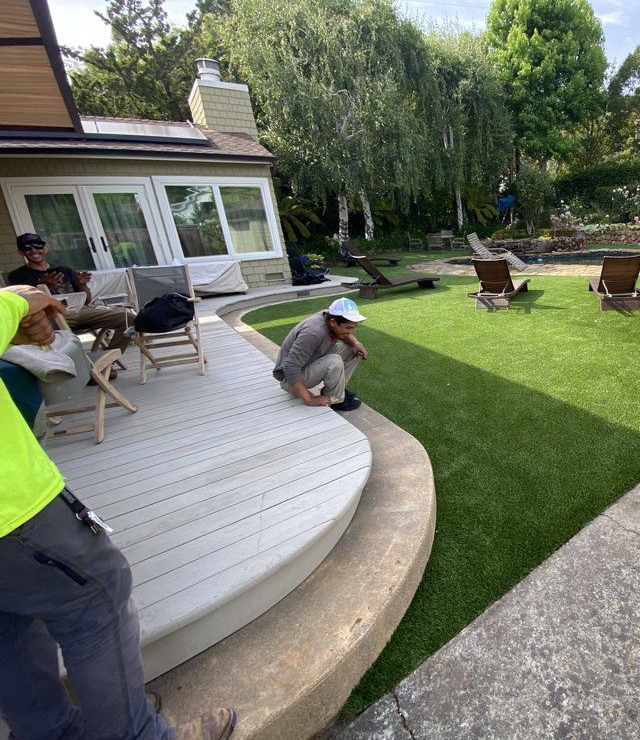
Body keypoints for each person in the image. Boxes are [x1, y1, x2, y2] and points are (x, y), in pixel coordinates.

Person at [0, 284, 237, 740]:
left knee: (7, 631)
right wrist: (16, 303)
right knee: (96, 602)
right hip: (15, 518)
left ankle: (54, 732)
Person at [8, 232, 131, 353]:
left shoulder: (64, 270)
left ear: (45, 249)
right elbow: (24, 306)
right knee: (47, 333)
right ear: (20, 251)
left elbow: (87, 300)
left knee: (128, 318)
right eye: (27, 247)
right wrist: (42, 287)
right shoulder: (17, 276)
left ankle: (108, 361)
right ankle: (91, 366)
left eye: (37, 246)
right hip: (53, 317)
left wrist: (83, 284)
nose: (34, 250)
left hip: (80, 311)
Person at [273, 297, 368, 411]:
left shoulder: (330, 316)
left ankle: (336, 390)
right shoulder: (313, 333)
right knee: (334, 361)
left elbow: (347, 336)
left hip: (308, 362)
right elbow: (290, 367)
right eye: (348, 327)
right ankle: (335, 400)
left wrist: (356, 343)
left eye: (353, 327)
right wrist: (310, 399)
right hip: (288, 379)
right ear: (333, 322)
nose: (351, 332)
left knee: (353, 349)